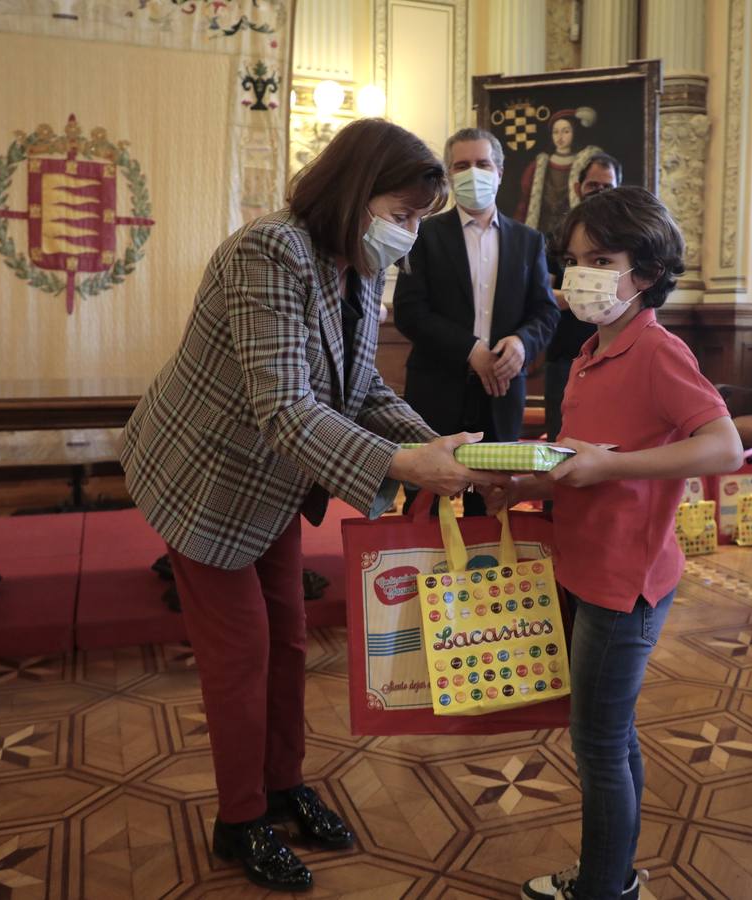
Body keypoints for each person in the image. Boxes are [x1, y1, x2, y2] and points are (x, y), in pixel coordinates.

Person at [120, 118, 506, 892]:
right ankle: (240, 819)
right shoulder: (269, 251)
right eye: (401, 215)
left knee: (290, 643)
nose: (405, 234)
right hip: (210, 477)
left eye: (415, 221)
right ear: (356, 193)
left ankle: (283, 784)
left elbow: (359, 388)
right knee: (241, 656)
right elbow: (286, 407)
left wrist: (442, 448)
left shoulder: (356, 265)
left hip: (276, 479)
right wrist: (407, 465)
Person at [482, 187, 744, 900]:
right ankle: (615, 876)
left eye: (602, 259)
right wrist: (527, 485)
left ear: (648, 271)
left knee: (598, 744)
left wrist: (612, 466)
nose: (581, 275)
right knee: (612, 735)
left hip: (625, 581)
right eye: (573, 260)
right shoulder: (595, 349)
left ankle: (602, 888)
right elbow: (580, 462)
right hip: (584, 564)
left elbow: (724, 446)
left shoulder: (658, 350)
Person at [393, 127, 559, 515]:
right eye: (462, 165)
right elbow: (410, 310)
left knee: (492, 499)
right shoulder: (423, 233)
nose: (473, 173)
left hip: (501, 391)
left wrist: (521, 343)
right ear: (449, 176)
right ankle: (424, 574)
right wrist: (471, 351)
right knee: (426, 501)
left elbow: (546, 312)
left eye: (483, 164)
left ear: (499, 172)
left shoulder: (528, 240)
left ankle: (485, 574)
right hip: (437, 387)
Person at [545, 152, 623, 446]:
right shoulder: (559, 235)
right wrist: (590, 291)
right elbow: (544, 294)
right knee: (561, 439)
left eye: (607, 187)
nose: (599, 193)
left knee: (611, 438)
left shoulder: (626, 239)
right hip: (566, 354)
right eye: (593, 186)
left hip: (616, 352)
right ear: (579, 188)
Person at [515, 107, 605, 239]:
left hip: (572, 233)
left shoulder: (585, 164)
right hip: (542, 235)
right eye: (555, 132)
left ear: (575, 132)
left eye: (566, 131)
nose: (560, 137)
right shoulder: (538, 166)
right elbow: (524, 203)